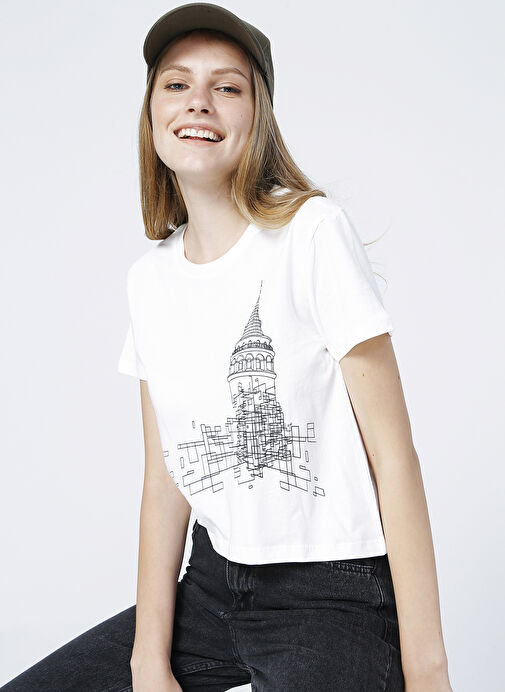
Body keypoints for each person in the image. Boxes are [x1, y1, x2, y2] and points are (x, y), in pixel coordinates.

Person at [1, 3, 453, 691]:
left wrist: (428, 671)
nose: (199, 102)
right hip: (211, 587)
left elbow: (394, 459)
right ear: (152, 112)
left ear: (257, 114)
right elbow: (164, 481)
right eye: (177, 84)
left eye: (227, 86)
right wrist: (148, 659)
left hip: (328, 593)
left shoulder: (311, 233)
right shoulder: (149, 280)